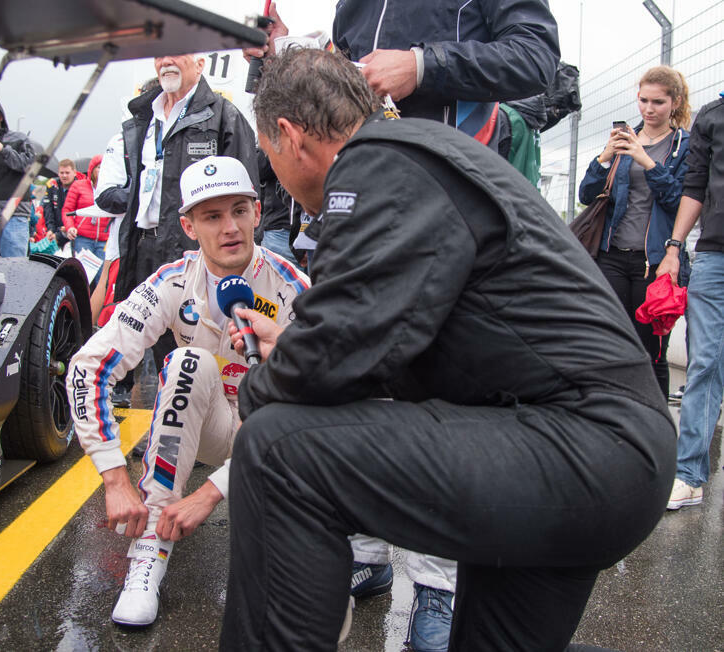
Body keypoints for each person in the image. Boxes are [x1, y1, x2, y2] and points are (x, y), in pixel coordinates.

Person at [220, 48, 675, 651]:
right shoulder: (422, 157)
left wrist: (257, 388)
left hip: (579, 446)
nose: (272, 173)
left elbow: (336, 352)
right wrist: (301, 344)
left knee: (275, 450)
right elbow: (382, 335)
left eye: (267, 157)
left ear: (288, 135)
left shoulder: (379, 161)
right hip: (598, 453)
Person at [67, 156, 308, 626]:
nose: (230, 228)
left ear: (258, 213)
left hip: (278, 440)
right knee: (185, 362)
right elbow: (87, 368)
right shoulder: (171, 282)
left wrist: (212, 493)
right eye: (212, 217)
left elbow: (323, 407)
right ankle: (149, 551)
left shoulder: (293, 289)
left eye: (239, 210)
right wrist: (114, 478)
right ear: (188, 226)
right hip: (211, 425)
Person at [94, 53, 258, 374]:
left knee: (201, 351)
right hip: (143, 249)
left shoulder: (225, 116)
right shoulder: (143, 117)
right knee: (155, 350)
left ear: (200, 63)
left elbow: (247, 199)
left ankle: (208, 419)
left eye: (179, 53)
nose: (167, 60)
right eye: (161, 54)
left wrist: (236, 267)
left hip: (194, 253)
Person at [245, 0, 560, 144]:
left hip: (451, 189)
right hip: (361, 189)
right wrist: (288, 50)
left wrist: (420, 65)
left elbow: (535, 55)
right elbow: (350, 77)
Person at [579, 66, 692, 400]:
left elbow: (679, 201)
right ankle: (613, 419)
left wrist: (648, 162)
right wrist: (604, 157)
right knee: (611, 344)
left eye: (658, 101)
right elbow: (587, 195)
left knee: (652, 352)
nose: (648, 108)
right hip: (612, 257)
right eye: (643, 100)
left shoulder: (684, 146)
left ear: (675, 102)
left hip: (655, 263)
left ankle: (655, 428)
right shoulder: (624, 141)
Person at [654, 92, 724, 510]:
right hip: (715, 254)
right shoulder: (712, 117)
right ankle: (689, 476)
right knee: (704, 363)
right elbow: (695, 186)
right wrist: (674, 247)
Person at [0, 100, 41, 258]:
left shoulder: (19, 139)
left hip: (14, 215)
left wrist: (2, 150)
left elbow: (30, 167)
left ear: (0, 117)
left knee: (15, 268)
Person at [62, 154, 110, 260]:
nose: (102, 170)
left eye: (104, 167)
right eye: (99, 167)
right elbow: (67, 210)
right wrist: (70, 227)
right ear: (92, 169)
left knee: (101, 275)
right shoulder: (78, 186)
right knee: (84, 273)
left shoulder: (111, 189)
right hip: (83, 239)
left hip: (104, 240)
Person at [41, 159, 81, 249]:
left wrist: (68, 227)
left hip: (74, 233)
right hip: (56, 232)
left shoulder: (80, 187)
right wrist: (50, 229)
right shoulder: (52, 185)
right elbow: (48, 210)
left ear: (74, 173)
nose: (64, 176)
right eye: (61, 173)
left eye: (67, 173)